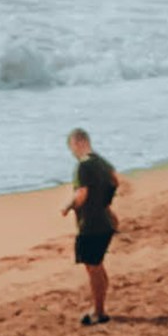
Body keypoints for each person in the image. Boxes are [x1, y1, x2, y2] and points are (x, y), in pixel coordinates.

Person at [64, 125, 119, 325]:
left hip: (91, 224)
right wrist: (106, 203)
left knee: (93, 268)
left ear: (77, 143)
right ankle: (100, 306)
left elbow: (82, 195)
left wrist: (67, 206)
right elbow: (115, 180)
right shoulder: (101, 162)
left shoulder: (84, 166)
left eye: (72, 147)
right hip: (105, 221)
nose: (73, 152)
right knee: (98, 266)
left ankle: (99, 311)